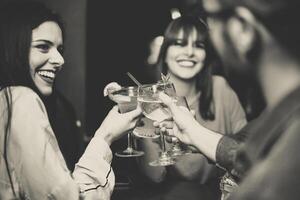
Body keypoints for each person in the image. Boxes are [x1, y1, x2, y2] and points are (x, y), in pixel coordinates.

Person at [158, 0, 300, 199]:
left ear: (243, 28)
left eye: (210, 21)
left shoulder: (276, 176)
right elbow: (247, 155)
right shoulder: (280, 123)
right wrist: (194, 133)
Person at [0, 1, 142, 199]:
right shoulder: (19, 100)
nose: (59, 60)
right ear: (12, 49)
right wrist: (105, 136)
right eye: (43, 47)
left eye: (60, 49)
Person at [137, 15, 247, 185]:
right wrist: (142, 124)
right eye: (180, 44)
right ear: (165, 53)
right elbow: (155, 176)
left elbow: (247, 149)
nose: (189, 52)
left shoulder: (220, 87)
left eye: (199, 45)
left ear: (205, 56)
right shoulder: (150, 101)